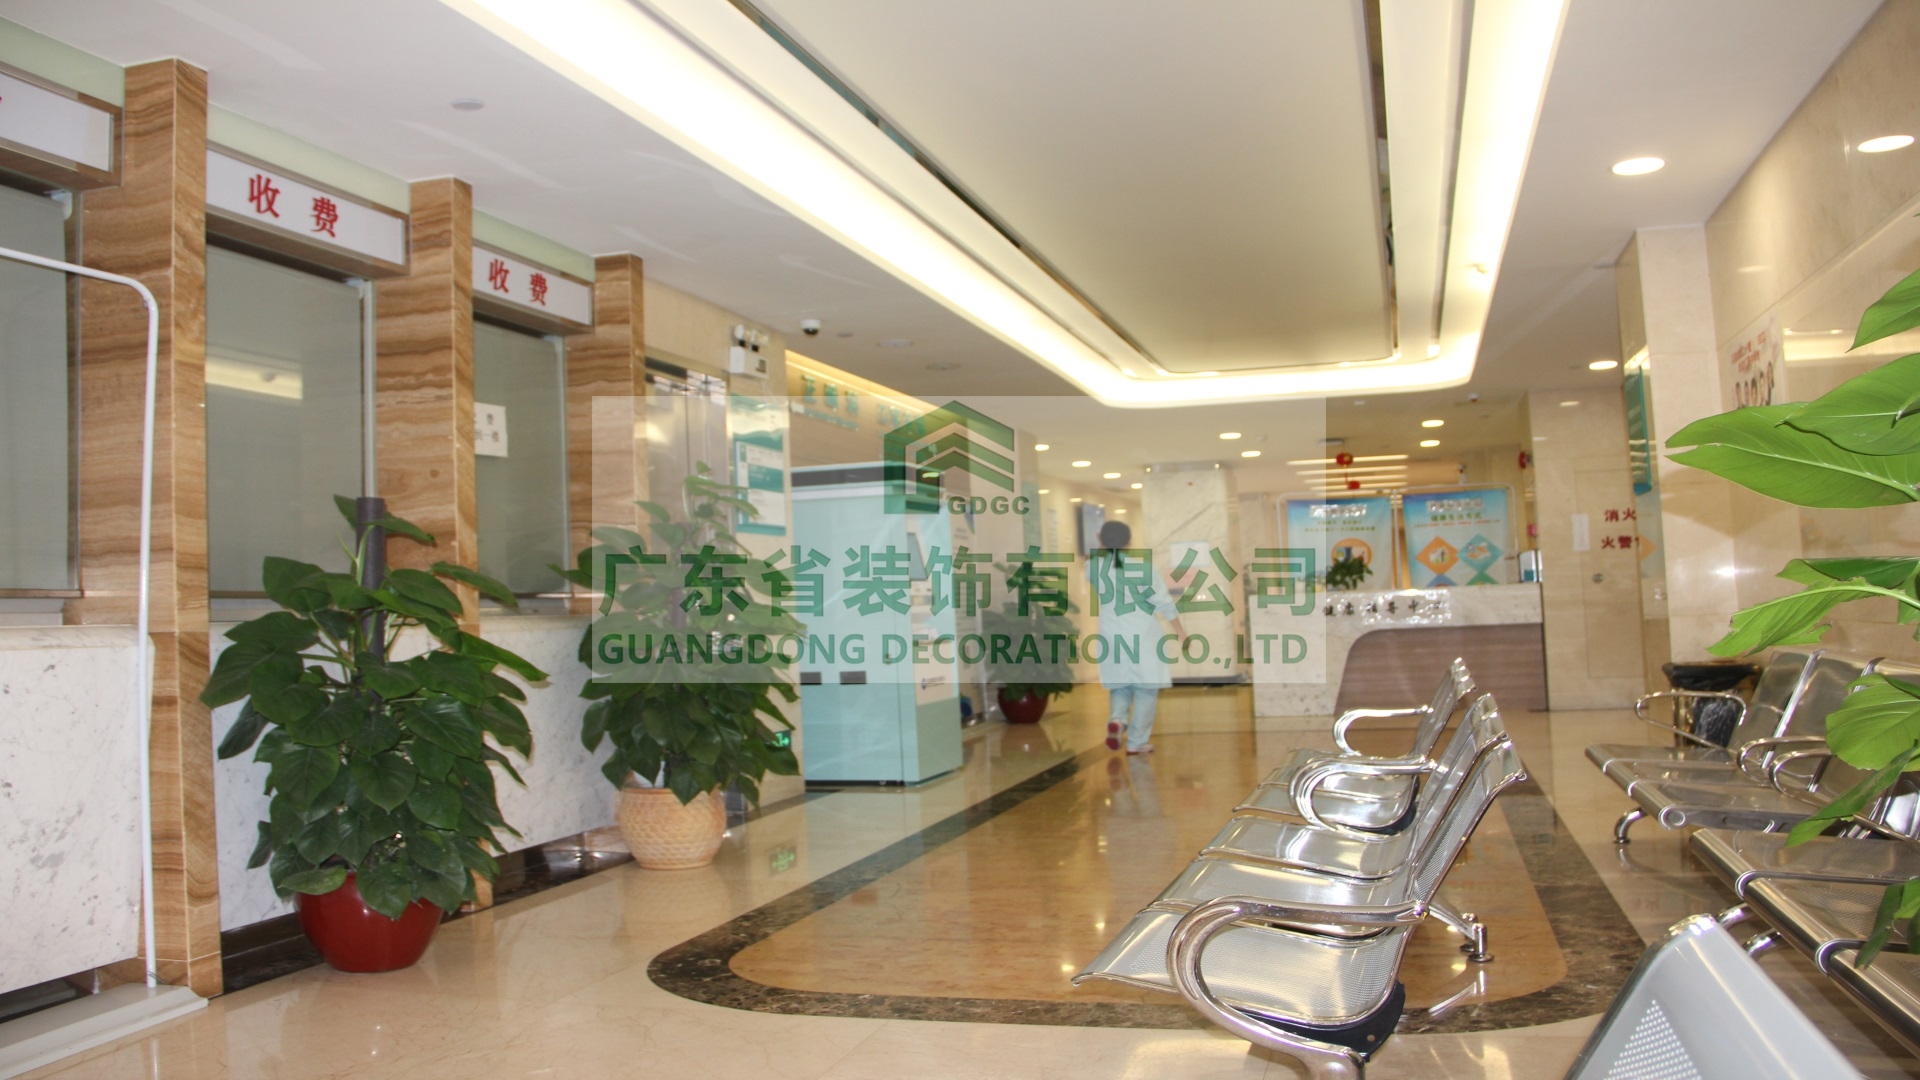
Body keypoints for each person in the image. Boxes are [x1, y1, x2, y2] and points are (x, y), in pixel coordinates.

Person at [1087, 520, 1183, 754]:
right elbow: (1163, 603)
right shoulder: (1144, 569)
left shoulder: (1092, 568)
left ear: (1100, 539)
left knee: (1120, 685)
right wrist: (1181, 632)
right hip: (1142, 633)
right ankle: (1136, 742)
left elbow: (1103, 563)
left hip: (1110, 633)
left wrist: (1104, 549)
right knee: (1146, 688)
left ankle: (1118, 719)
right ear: (1130, 541)